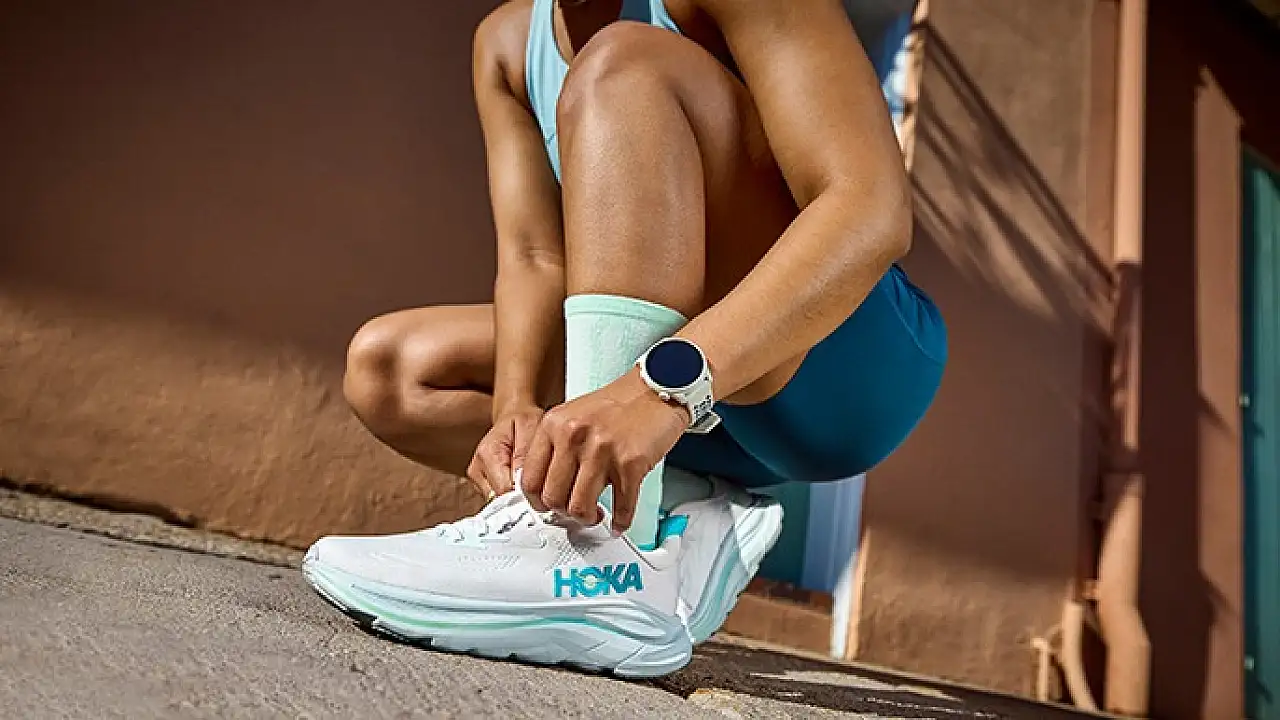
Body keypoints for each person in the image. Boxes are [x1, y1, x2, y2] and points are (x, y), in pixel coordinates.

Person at [302, 0, 946, 678]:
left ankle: (605, 561)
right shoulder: (507, 45)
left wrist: (658, 391)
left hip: (842, 368)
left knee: (625, 64)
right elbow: (534, 257)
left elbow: (869, 208)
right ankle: (682, 510)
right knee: (392, 370)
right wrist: (515, 407)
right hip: (697, 412)